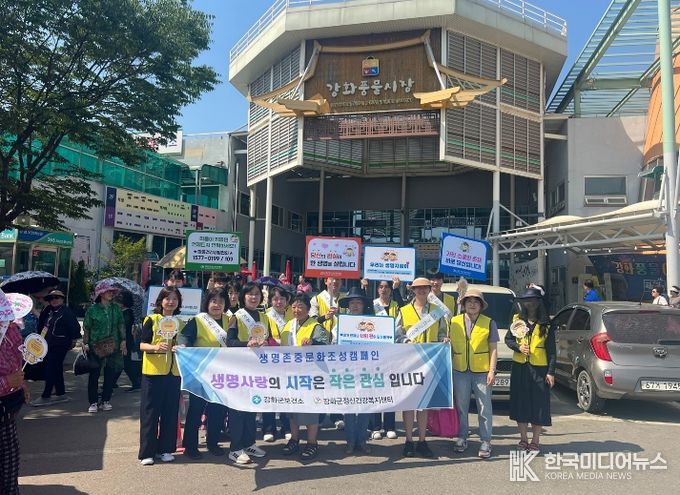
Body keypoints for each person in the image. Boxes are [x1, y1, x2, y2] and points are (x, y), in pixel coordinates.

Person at [395, 277, 448, 458]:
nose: (422, 290)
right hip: (410, 363)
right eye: (418, 288)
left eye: (425, 288)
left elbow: (442, 333)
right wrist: (406, 341)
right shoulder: (404, 310)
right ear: (413, 290)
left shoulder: (437, 311)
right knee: (410, 404)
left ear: (429, 289)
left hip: (429, 363)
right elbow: (397, 334)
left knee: (424, 404)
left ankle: (422, 441)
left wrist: (444, 339)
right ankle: (409, 441)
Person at [445, 288, 498, 459]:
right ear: (463, 304)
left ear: (481, 305)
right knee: (462, 407)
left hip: (482, 372)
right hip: (459, 370)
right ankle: (462, 437)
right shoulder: (453, 321)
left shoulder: (489, 322)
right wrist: (446, 340)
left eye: (476, 302)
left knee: (484, 408)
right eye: (469, 301)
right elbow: (448, 341)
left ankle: (486, 441)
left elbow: (493, 349)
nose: (472, 304)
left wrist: (492, 371)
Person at [178, 288, 230, 459]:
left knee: (218, 409)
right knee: (196, 409)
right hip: (201, 372)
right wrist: (183, 346)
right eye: (213, 301)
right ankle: (190, 446)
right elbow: (185, 337)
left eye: (221, 302)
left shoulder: (230, 320)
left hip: (222, 373)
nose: (217, 305)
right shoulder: (198, 320)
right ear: (207, 303)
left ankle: (212, 443)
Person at [279, 294, 331, 461]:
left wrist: (313, 343)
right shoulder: (288, 325)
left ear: (308, 309)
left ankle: (312, 442)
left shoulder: (315, 326)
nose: (297, 310)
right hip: (291, 375)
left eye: (300, 306)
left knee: (310, 410)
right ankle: (294, 439)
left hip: (310, 376)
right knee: (292, 410)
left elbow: (326, 346)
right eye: (294, 306)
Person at [505, 287, 556, 453]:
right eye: (527, 301)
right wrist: (518, 347)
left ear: (539, 303)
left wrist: (551, 372)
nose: (530, 304)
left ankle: (535, 440)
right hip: (520, 368)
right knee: (521, 404)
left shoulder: (546, 324)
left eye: (534, 301)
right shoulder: (517, 321)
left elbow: (552, 351)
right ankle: (523, 439)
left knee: (539, 405)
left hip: (540, 369)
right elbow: (508, 340)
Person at [138, 287, 184, 466]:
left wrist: (181, 347)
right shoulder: (151, 319)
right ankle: (147, 452)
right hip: (153, 373)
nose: (171, 302)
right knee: (150, 414)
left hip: (174, 373)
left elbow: (185, 344)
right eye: (167, 298)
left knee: (170, 413)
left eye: (174, 299)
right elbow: (141, 345)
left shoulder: (181, 322)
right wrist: (156, 347)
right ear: (160, 301)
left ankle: (165, 449)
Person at [226, 282, 270, 465]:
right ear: (243, 297)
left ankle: (249, 443)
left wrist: (267, 343)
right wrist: (247, 344)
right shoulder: (236, 317)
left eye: (257, 294)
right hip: (239, 368)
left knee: (252, 407)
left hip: (256, 368)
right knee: (238, 409)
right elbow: (229, 341)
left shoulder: (264, 317)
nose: (254, 297)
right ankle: (235, 449)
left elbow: (269, 339)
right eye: (250, 294)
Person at [0, 290, 31, 495]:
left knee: (10, 455)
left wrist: (21, 384)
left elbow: (16, 362)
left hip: (8, 405)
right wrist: (6, 382)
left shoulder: (11, 329)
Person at [338, 287, 375, 455]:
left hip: (368, 370)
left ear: (363, 305)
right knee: (349, 408)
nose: (354, 305)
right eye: (351, 302)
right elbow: (334, 342)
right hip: (347, 370)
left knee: (365, 407)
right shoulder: (341, 323)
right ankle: (350, 441)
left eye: (358, 302)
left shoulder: (374, 323)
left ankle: (362, 440)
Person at [29, 290, 81, 406]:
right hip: (48, 344)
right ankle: (61, 393)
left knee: (51, 369)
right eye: (51, 298)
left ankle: (46, 396)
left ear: (62, 299)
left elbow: (75, 327)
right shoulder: (49, 311)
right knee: (56, 369)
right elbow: (43, 325)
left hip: (60, 345)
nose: (54, 300)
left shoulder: (66, 312)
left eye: (57, 297)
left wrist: (73, 340)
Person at [82, 282, 126, 413]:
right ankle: (93, 402)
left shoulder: (116, 308)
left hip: (113, 345)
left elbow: (121, 324)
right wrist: (85, 343)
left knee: (110, 374)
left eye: (112, 291)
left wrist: (123, 340)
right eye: (108, 291)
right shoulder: (92, 310)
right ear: (101, 294)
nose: (111, 293)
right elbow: (87, 328)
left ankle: (106, 400)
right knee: (94, 374)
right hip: (96, 345)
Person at [368, 277, 402, 440]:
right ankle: (375, 427)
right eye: (381, 287)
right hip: (375, 353)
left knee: (390, 389)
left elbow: (403, 319)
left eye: (387, 287)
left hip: (392, 353)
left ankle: (389, 426)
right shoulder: (372, 305)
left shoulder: (396, 305)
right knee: (375, 389)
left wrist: (397, 288)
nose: (384, 289)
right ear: (378, 289)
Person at [310, 276, 345, 429]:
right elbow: (311, 321)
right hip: (321, 345)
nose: (335, 282)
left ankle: (337, 415)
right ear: (326, 281)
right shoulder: (316, 299)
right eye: (332, 279)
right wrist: (326, 317)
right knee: (321, 382)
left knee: (337, 381)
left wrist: (340, 314)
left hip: (340, 346)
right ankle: (320, 416)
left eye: (338, 279)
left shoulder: (345, 299)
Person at [263, 284, 294, 442]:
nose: (279, 302)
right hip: (270, 360)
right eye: (275, 299)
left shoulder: (293, 314)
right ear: (270, 301)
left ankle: (286, 426)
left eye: (282, 298)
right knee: (270, 394)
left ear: (287, 301)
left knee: (287, 394)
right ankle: (269, 428)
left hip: (289, 360)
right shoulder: (265, 316)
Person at [116, 290, 142, 391]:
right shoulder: (123, 312)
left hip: (126, 342)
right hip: (123, 341)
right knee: (120, 363)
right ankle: (111, 382)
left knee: (126, 364)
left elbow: (124, 327)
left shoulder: (127, 313)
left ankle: (136, 383)